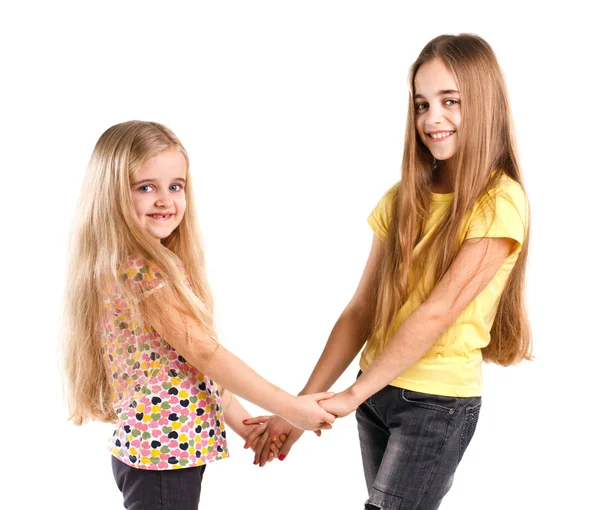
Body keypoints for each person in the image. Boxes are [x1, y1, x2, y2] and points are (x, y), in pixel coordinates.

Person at [244, 33, 531, 509]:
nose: (432, 118)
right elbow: (360, 311)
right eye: (422, 104)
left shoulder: (500, 202)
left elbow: (438, 312)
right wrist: (296, 410)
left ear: (485, 105)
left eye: (450, 101)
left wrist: (354, 393)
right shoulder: (402, 199)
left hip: (435, 405)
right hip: (378, 396)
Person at [61, 120, 335, 510]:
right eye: (146, 187)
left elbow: (190, 368)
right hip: (162, 458)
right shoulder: (139, 271)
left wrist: (245, 426)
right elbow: (206, 353)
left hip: (171, 452)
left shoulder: (156, 264)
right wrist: (290, 408)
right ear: (112, 194)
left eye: (175, 186)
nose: (165, 200)